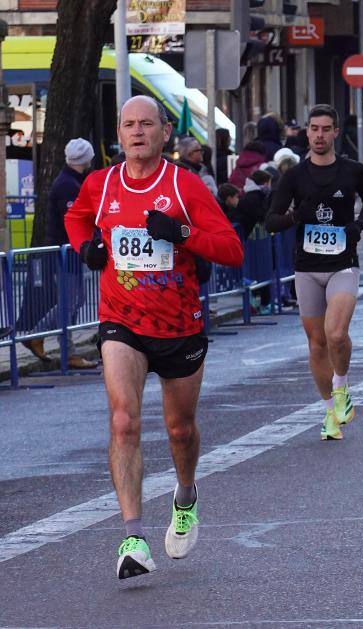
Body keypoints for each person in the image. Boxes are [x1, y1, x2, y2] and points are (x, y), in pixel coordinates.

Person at [63, 96, 243, 579]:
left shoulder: (184, 185)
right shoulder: (100, 185)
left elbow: (232, 250)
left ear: (166, 132)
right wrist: (86, 246)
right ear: (118, 135)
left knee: (179, 429)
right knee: (124, 420)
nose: (137, 132)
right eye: (128, 125)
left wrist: (182, 232)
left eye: (147, 124)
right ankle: (133, 536)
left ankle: (185, 496)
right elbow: (76, 216)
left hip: (179, 326)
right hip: (121, 321)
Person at [265, 104, 363, 441]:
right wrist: (295, 217)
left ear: (335, 132)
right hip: (307, 268)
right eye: (313, 129)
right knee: (316, 345)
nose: (318, 135)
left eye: (325, 129)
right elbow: (271, 220)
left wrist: (359, 224)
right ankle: (329, 412)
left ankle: (341, 387)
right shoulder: (294, 176)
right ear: (307, 133)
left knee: (336, 335)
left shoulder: (353, 170)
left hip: (342, 263)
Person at [16, 138, 98, 367]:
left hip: (69, 251)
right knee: (70, 302)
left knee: (72, 301)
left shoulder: (71, 182)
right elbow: (74, 220)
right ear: (86, 158)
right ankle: (51, 342)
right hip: (66, 252)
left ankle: (43, 338)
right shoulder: (67, 185)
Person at [232, 169, 271, 239]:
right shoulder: (254, 197)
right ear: (265, 183)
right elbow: (261, 215)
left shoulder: (255, 195)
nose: (269, 186)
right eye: (269, 183)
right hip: (244, 235)